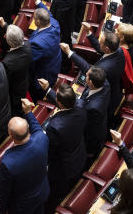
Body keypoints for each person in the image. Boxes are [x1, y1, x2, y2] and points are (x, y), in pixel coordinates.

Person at [0, 98, 50, 214]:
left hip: (23, 207)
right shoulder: (42, 139)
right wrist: (28, 112)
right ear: (28, 130)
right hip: (41, 194)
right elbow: (36, 128)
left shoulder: (8, 162)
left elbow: (3, 193)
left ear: (10, 135)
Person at [42, 83, 87, 211]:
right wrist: (48, 90)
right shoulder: (81, 104)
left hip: (63, 168)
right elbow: (67, 105)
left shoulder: (54, 126)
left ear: (60, 104)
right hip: (79, 154)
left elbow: (50, 153)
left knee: (57, 194)